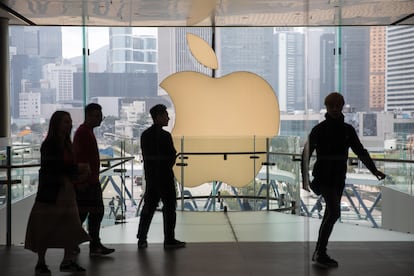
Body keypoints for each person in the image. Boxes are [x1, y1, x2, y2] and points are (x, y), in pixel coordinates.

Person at [301, 92, 385, 268]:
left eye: (337, 106)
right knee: (334, 212)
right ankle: (320, 252)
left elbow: (360, 151)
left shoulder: (344, 130)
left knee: (329, 213)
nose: (334, 109)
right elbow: (306, 154)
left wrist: (373, 169)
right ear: (327, 107)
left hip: (338, 177)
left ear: (341, 106)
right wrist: (304, 178)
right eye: (331, 106)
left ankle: (319, 252)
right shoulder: (324, 129)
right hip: (325, 177)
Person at [25, 111, 91, 275]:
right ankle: (45, 262)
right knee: (47, 226)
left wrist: (76, 173)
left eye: (69, 122)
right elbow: (56, 167)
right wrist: (79, 169)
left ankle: (64, 260)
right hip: (54, 192)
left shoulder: (63, 144)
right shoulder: (52, 145)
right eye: (65, 122)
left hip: (63, 191)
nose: (69, 125)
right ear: (57, 124)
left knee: (70, 225)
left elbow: (60, 167)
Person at [136, 104, 186, 249]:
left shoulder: (145, 135)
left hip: (152, 178)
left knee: (148, 208)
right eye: (165, 115)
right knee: (169, 208)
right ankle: (169, 239)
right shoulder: (165, 136)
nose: (168, 117)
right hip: (165, 177)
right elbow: (172, 156)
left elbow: (148, 157)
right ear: (158, 117)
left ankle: (142, 238)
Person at [73, 103, 115, 256]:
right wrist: (83, 181)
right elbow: (81, 158)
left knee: (85, 214)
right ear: (89, 115)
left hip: (88, 180)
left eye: (100, 116)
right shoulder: (84, 133)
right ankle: (92, 245)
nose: (100, 120)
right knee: (94, 213)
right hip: (88, 182)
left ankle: (79, 243)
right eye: (97, 116)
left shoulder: (85, 131)